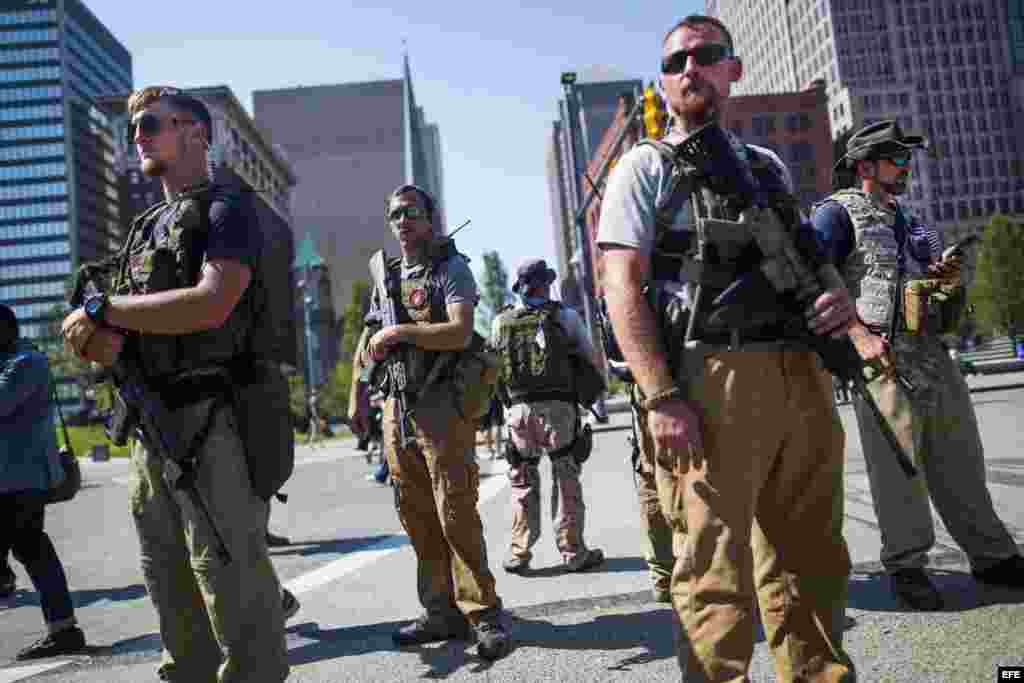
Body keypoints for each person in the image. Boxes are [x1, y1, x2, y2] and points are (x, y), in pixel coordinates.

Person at [597, 15, 857, 681]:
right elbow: (620, 284)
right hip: (712, 379)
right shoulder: (643, 167)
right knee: (714, 573)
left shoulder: (765, 166)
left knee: (813, 561)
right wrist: (660, 397)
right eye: (676, 60)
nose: (691, 68)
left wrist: (837, 301)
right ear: (665, 80)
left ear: (732, 69)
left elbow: (807, 257)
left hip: (799, 369)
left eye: (706, 54)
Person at [61, 87, 289, 683]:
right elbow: (114, 337)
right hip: (146, 423)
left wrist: (106, 311)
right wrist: (88, 332)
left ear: (195, 132)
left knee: (229, 572)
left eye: (151, 124)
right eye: (133, 127)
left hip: (212, 416)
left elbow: (213, 303)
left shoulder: (226, 209)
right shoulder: (145, 228)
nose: (137, 135)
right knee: (165, 575)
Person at [812, 119, 1024, 611]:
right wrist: (857, 336)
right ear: (865, 165)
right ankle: (907, 565)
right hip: (882, 362)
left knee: (961, 458)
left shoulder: (913, 221)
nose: (907, 167)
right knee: (898, 471)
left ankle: (992, 555)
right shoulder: (835, 216)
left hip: (931, 353)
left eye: (908, 159)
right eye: (896, 158)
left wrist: (942, 279)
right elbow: (814, 278)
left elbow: (921, 283)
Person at [348, 184, 510, 660]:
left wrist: (400, 331)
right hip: (396, 406)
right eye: (395, 214)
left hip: (442, 403)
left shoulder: (449, 268)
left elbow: (459, 330)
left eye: (411, 213)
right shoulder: (388, 274)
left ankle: (483, 613)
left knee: (455, 510)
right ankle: (439, 611)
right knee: (415, 514)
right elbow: (367, 337)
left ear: (430, 219)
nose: (402, 222)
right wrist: (358, 396)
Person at [491, 259, 605, 575]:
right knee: (566, 477)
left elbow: (494, 367)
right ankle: (573, 551)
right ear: (547, 283)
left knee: (522, 480)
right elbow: (589, 358)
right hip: (558, 410)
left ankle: (519, 551)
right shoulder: (565, 317)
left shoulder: (501, 321)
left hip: (519, 411)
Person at [0, 305, 88, 660]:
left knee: (32, 548)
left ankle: (64, 629)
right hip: (11, 479)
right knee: (32, 549)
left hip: (19, 479)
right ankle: (63, 628)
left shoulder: (25, 362)